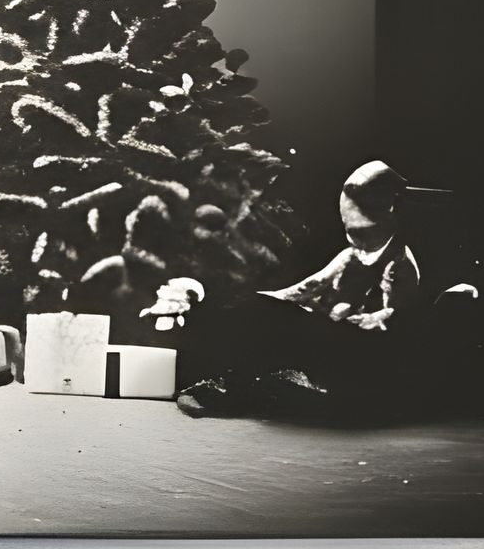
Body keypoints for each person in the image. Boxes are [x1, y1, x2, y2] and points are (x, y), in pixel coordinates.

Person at [168, 160, 428, 420]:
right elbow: (305, 288)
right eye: (349, 231)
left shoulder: (400, 266)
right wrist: (255, 304)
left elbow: (390, 329)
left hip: (362, 356)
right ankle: (236, 387)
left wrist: (336, 319)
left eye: (361, 231)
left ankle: (242, 393)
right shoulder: (352, 255)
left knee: (286, 324)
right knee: (261, 309)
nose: (355, 240)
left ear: (389, 218)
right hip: (330, 340)